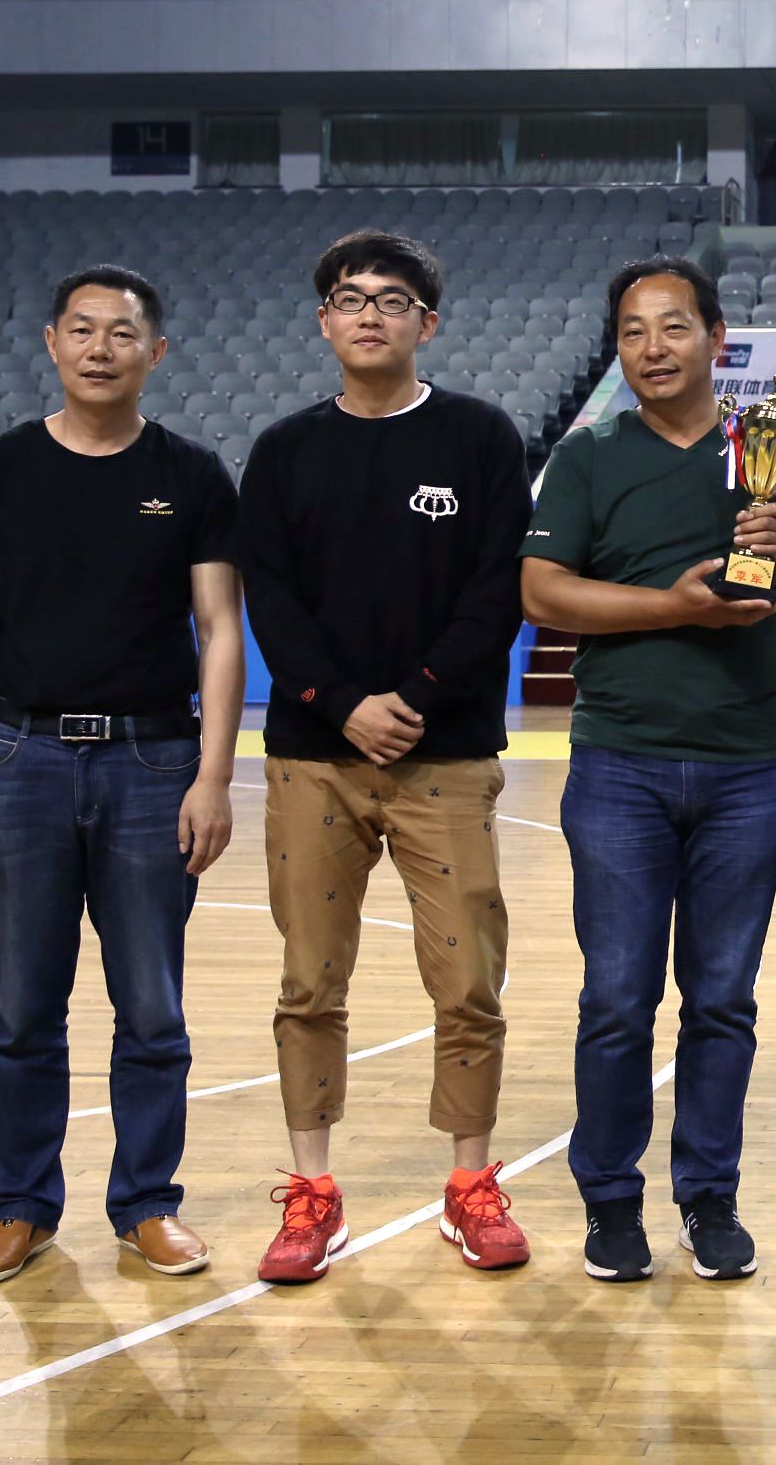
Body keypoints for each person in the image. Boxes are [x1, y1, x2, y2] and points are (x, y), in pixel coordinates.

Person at [522, 257, 776, 1283]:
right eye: (632, 331)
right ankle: (611, 1202)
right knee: (617, 999)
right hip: (619, 766)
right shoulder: (587, 457)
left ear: (716, 337)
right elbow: (542, 592)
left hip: (748, 770)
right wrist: (673, 607)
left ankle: (710, 1196)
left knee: (722, 1000)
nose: (652, 347)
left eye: (672, 326)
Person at [0, 264, 241, 1287]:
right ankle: (20, 1208)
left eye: (122, 332)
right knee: (25, 1006)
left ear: (157, 352)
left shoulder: (192, 474)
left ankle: (147, 1204)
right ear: (53, 342)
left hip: (154, 762)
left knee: (152, 1005)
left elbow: (219, 630)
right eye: (82, 328)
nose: (100, 347)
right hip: (18, 759)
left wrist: (213, 774)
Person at [237, 230, 534, 1283]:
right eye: (350, 297)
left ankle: (470, 1183)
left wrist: (412, 698)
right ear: (324, 321)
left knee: (469, 982)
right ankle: (312, 1192)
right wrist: (340, 704)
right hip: (312, 758)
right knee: (310, 982)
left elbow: (497, 591)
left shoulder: (480, 437)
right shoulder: (283, 451)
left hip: (443, 753)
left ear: (427, 323)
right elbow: (270, 599)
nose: (370, 313)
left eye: (392, 298)